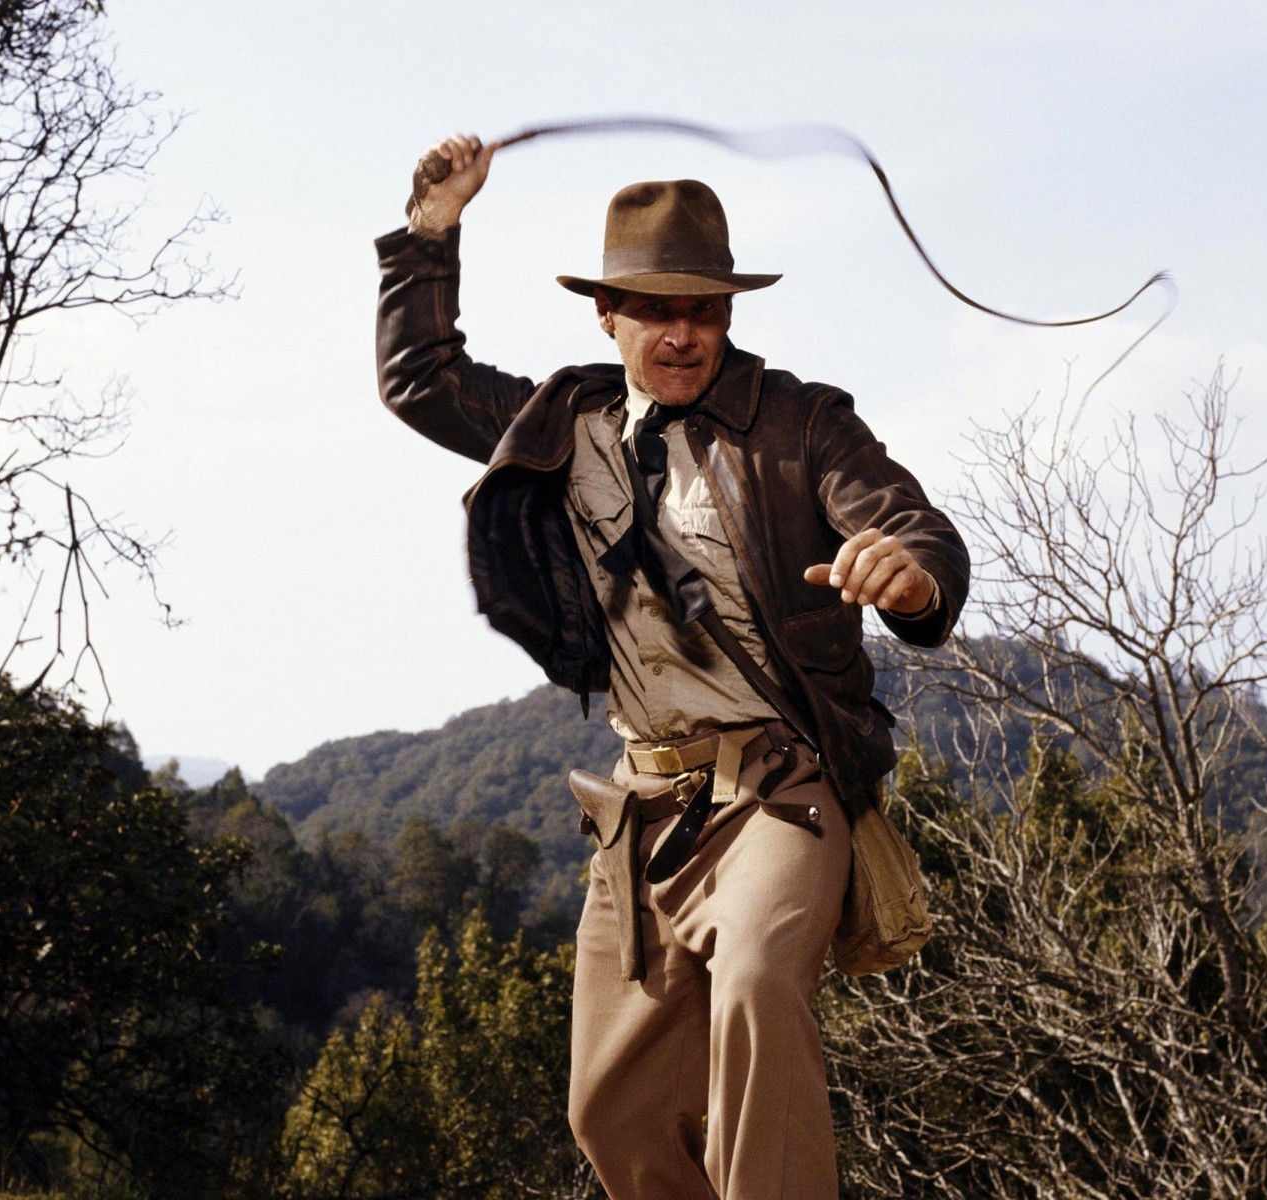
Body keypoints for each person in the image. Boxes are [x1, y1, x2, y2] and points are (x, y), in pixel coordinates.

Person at [375, 132, 970, 1200]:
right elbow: (422, 381)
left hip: (780, 796)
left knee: (754, 985)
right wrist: (430, 232)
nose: (685, 334)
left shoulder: (802, 424)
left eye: (705, 309)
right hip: (643, 811)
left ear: (731, 314)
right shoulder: (569, 423)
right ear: (607, 313)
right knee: (609, 1111)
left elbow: (912, 530)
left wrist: (910, 576)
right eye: (658, 310)